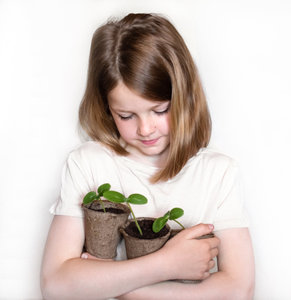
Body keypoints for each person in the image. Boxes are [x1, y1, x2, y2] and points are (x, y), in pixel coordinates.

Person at [40, 13, 254, 299]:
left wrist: (115, 285)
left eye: (160, 110)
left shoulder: (218, 173)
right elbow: (56, 286)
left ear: (184, 97)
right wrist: (165, 265)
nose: (145, 129)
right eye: (126, 115)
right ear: (106, 107)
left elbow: (239, 290)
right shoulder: (88, 163)